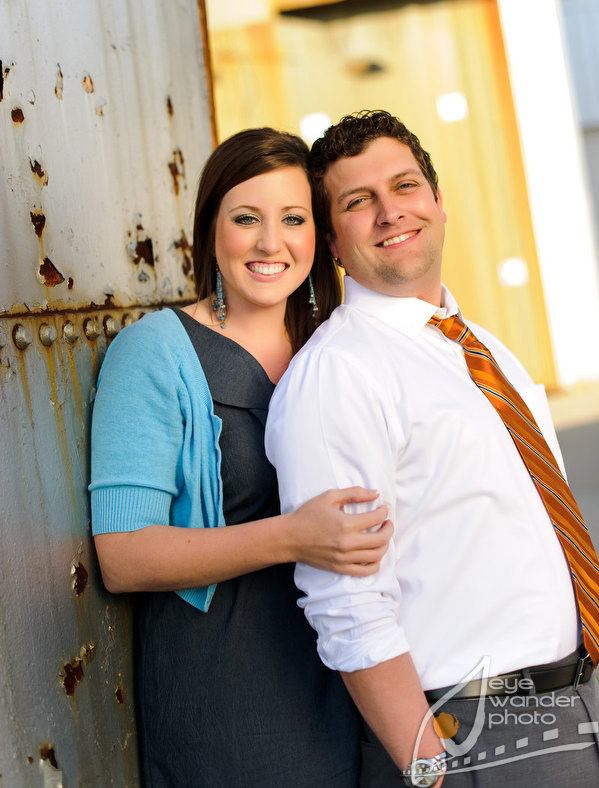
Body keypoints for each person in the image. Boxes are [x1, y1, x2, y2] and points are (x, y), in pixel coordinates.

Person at [265, 110, 599, 787]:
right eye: (359, 203)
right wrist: (428, 769)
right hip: (481, 735)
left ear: (438, 202)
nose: (391, 212)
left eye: (405, 186)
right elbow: (345, 600)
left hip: (575, 702)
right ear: (332, 239)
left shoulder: (477, 345)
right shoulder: (340, 372)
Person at [88, 126, 393, 788]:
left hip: (370, 677)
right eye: (245, 219)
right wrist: (292, 537)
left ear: (319, 236)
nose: (269, 242)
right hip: (236, 705)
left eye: (292, 219)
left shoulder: (343, 349)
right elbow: (123, 554)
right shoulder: (156, 354)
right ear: (210, 230)